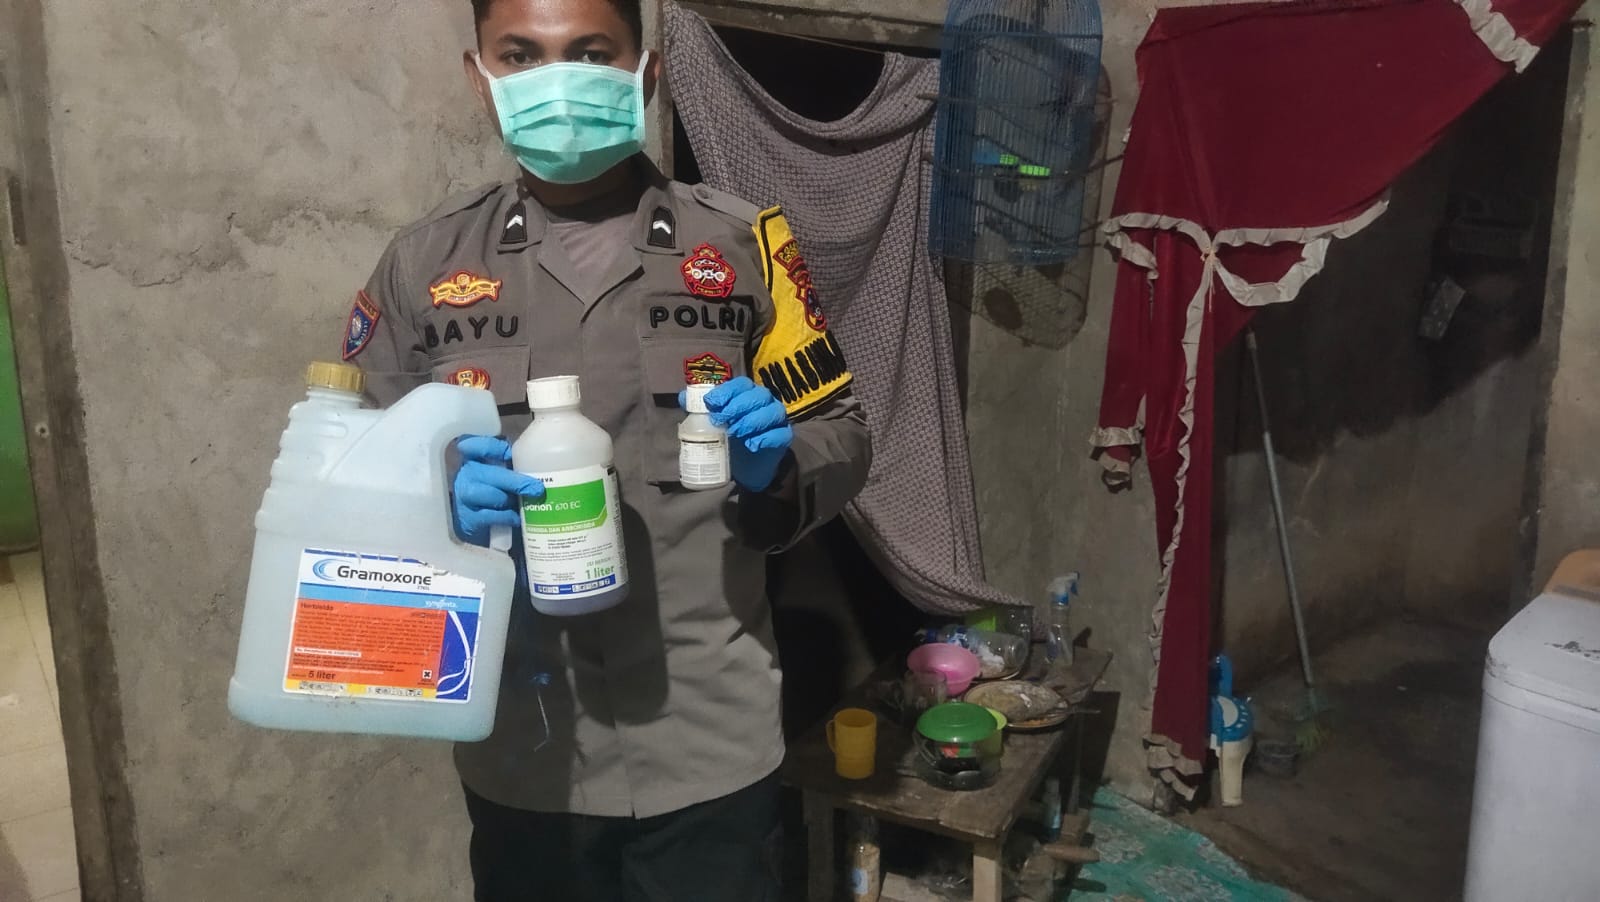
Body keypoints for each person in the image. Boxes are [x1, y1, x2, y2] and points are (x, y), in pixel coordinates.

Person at [341, 0, 872, 899]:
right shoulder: (422, 265)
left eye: (590, 53)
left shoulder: (744, 244)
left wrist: (780, 467)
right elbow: (351, 465)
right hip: (525, 743)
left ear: (646, 73)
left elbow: (845, 429)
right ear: (480, 79)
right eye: (521, 55)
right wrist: (430, 500)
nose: (557, 80)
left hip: (710, 734)